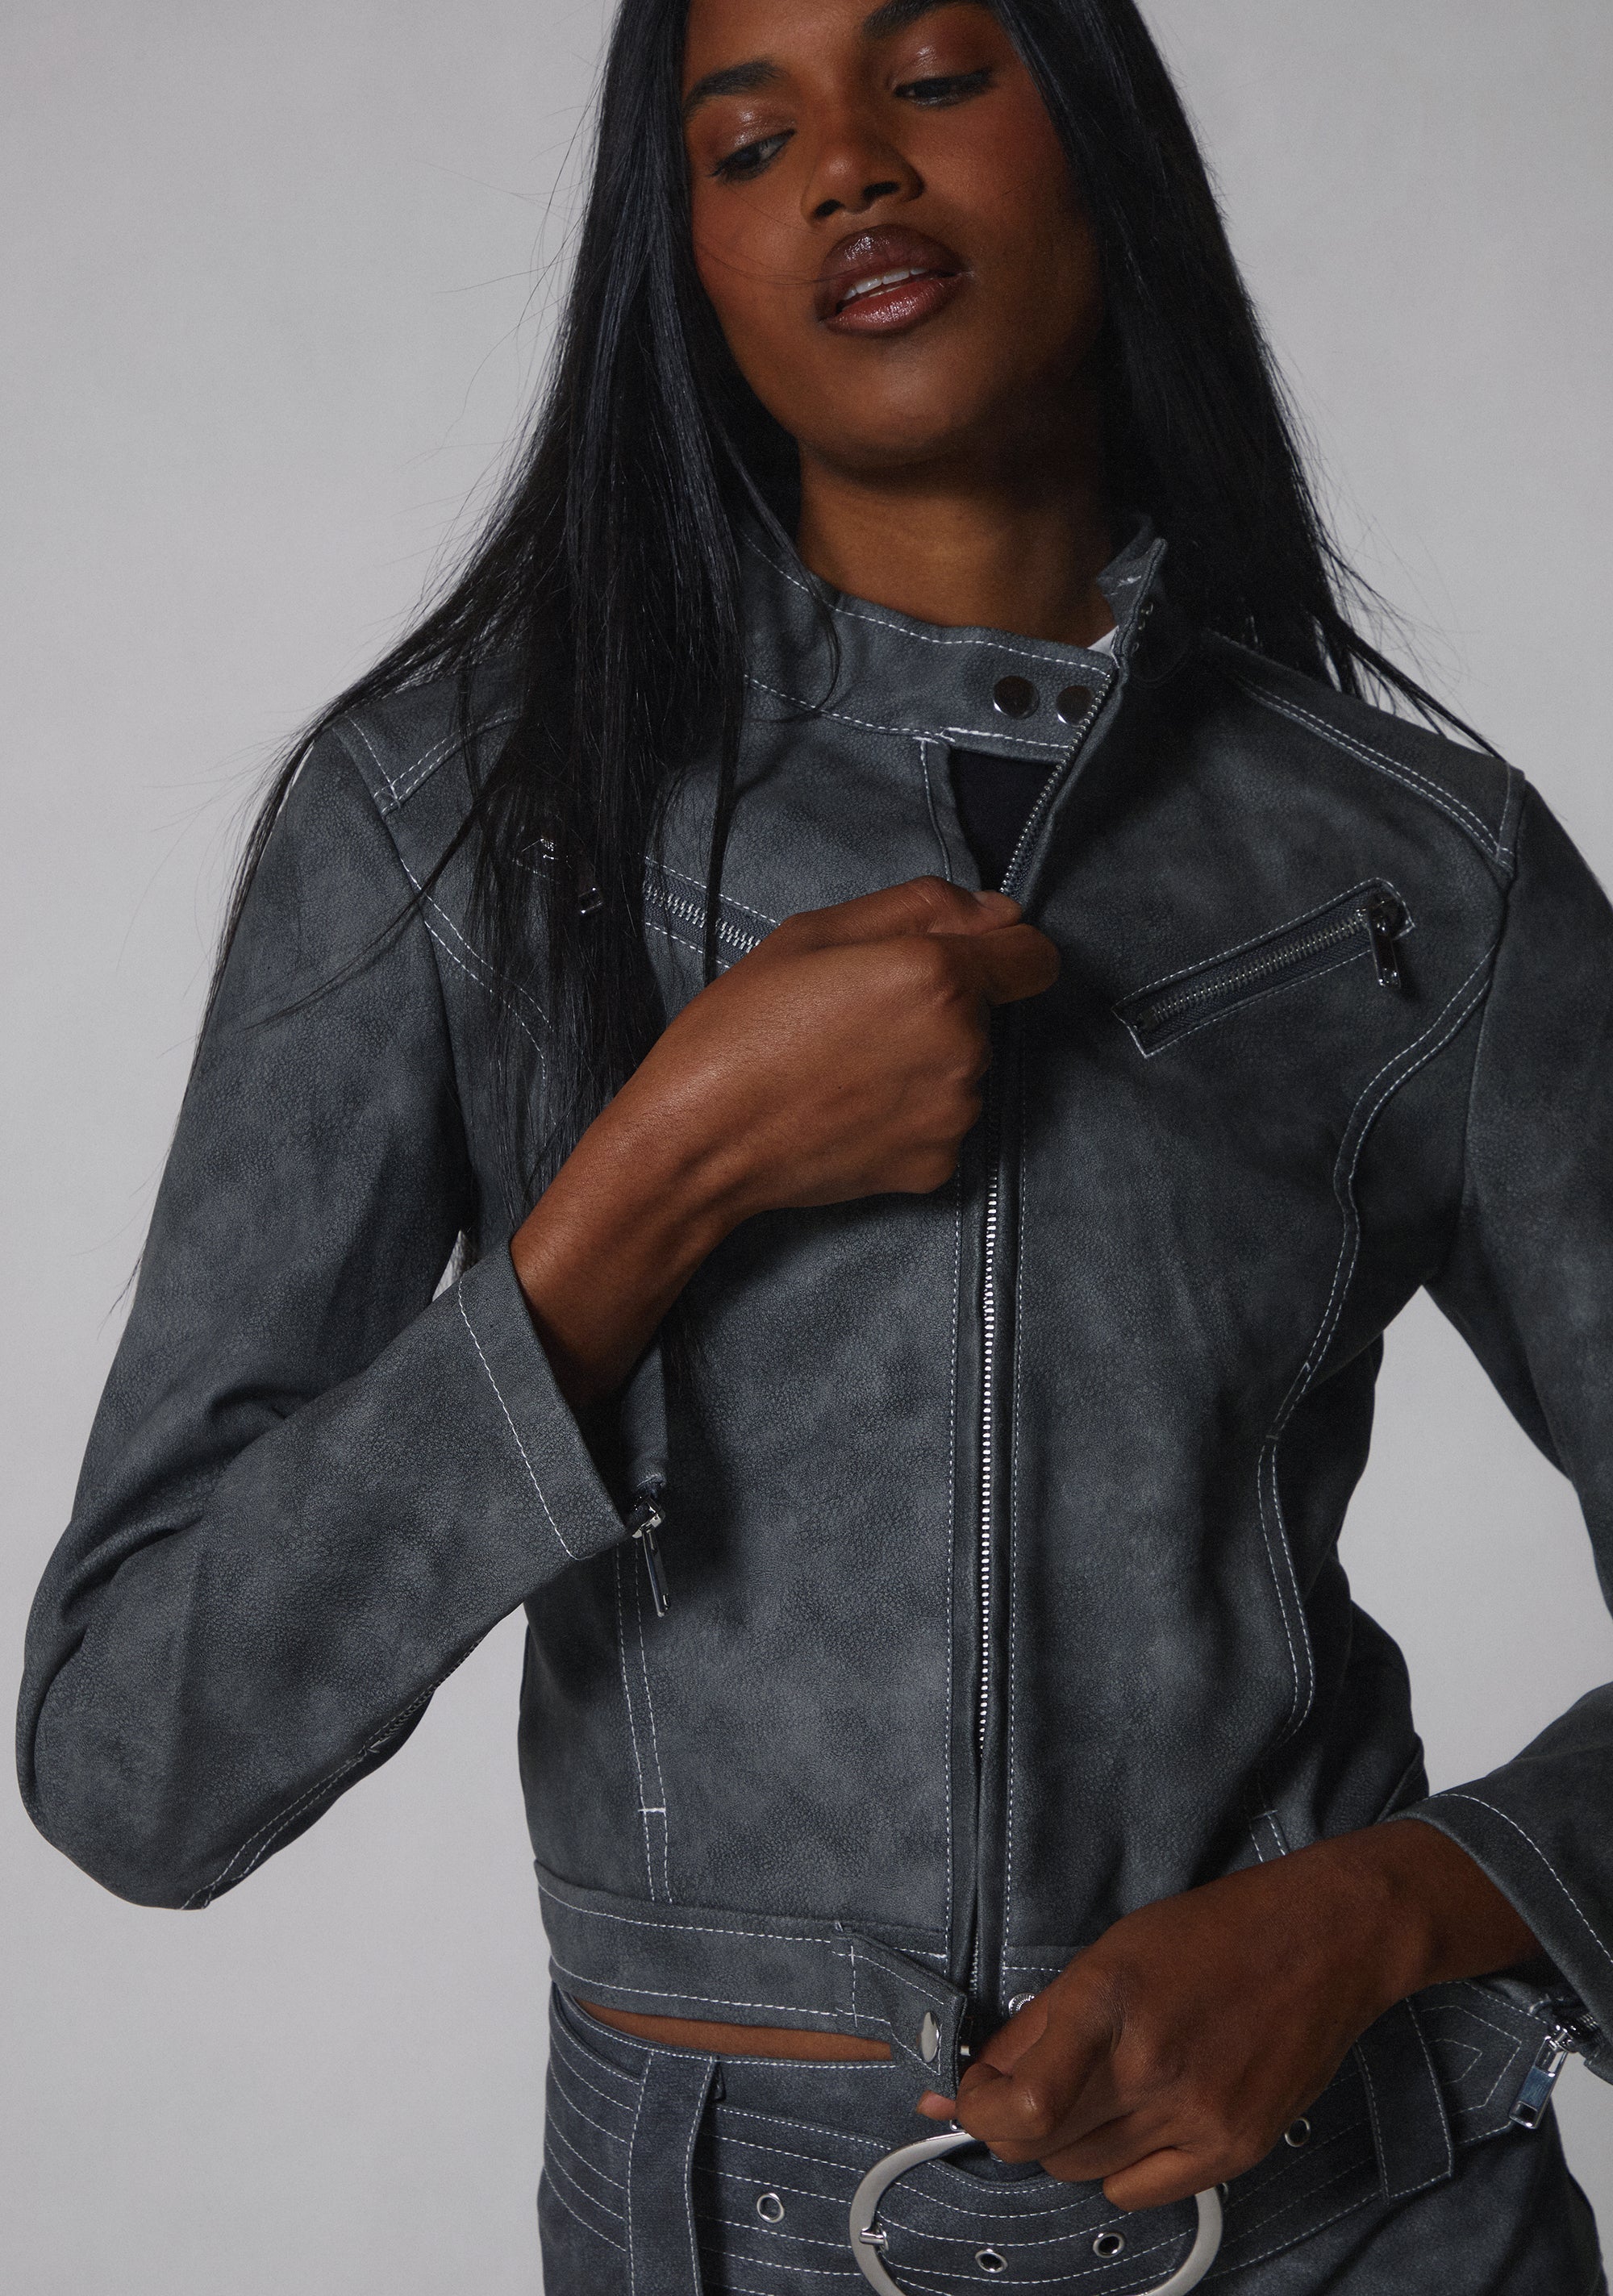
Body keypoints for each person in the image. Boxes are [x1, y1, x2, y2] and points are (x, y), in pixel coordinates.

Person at [17, 0, 1613, 2287]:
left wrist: (1385, 1910)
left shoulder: (1422, 874)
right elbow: (135, 1766)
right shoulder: (448, 827)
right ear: (681, 253)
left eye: (935, 78)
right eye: (748, 143)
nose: (850, 168)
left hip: (1373, 2228)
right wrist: (654, 1181)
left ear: (1099, 135)